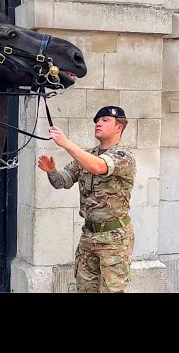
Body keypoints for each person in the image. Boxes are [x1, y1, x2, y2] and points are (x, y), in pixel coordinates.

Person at [38, 106, 136, 293]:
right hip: (89, 236)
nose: (98, 123)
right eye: (97, 121)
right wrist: (51, 171)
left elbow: (99, 167)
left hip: (114, 239)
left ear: (119, 127)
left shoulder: (124, 156)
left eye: (105, 120)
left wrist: (66, 143)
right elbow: (63, 182)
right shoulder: (87, 155)